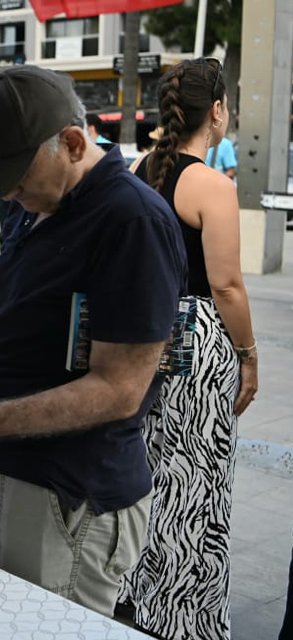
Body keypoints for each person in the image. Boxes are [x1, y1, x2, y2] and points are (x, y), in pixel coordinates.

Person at [0, 66, 187, 618]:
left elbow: (119, 390)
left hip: (68, 493)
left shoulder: (131, 220)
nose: (9, 191)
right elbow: (20, 311)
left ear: (73, 142)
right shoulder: (43, 204)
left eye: (17, 175)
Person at [117, 57, 258, 640]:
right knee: (195, 481)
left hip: (140, 333)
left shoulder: (133, 170)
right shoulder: (211, 185)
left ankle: (130, 587)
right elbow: (226, 285)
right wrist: (249, 354)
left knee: (143, 466)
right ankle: (184, 613)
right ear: (217, 110)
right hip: (198, 341)